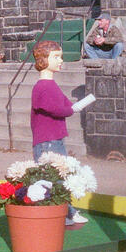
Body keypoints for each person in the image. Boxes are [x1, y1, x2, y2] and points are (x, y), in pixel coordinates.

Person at [30, 40, 91, 225]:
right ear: (43, 59)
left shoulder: (51, 85)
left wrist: (72, 107)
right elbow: (58, 108)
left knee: (59, 177)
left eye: (60, 57)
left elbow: (64, 103)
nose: (60, 60)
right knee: (52, 177)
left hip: (54, 138)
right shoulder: (43, 87)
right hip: (47, 141)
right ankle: (60, 213)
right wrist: (73, 109)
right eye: (55, 57)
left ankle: (66, 212)